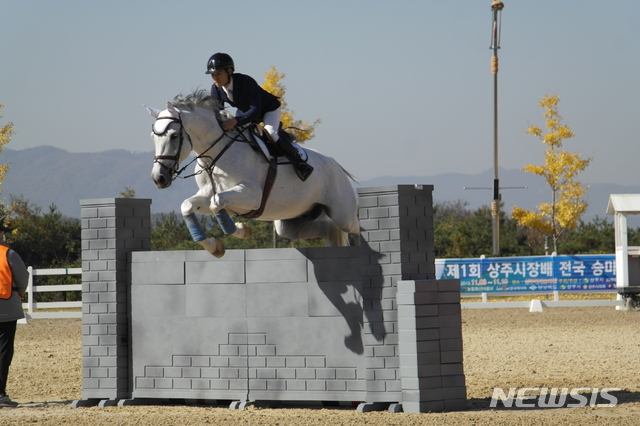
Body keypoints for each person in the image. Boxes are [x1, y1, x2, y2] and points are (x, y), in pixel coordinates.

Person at [205, 52, 314, 181]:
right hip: (245, 111)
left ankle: (300, 163)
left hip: (267, 109)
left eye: (218, 74)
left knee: (270, 132)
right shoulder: (216, 89)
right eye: (213, 75)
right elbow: (217, 111)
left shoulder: (246, 81)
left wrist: (235, 120)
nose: (215, 78)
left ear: (229, 71)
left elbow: (256, 111)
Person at [0, 219, 29, 408]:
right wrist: (18, 293)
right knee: (3, 351)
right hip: (5, 309)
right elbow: (23, 278)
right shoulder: (8, 253)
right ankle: (0, 394)